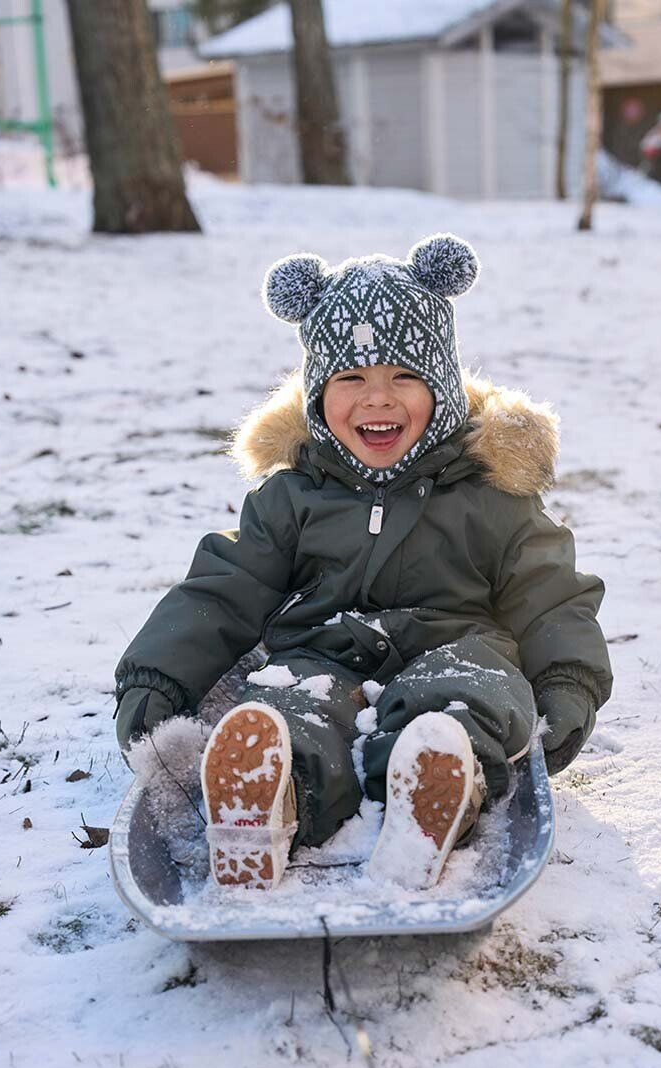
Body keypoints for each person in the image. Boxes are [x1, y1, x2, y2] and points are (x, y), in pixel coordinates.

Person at [114, 235, 612, 892]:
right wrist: (157, 677)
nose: (377, 399)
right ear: (318, 396)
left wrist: (568, 682)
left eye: (404, 377)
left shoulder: (489, 493)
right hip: (322, 657)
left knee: (469, 700)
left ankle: (433, 788)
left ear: (442, 387)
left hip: (459, 646)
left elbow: (549, 596)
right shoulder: (293, 495)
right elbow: (223, 588)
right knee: (290, 708)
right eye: (351, 379)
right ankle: (268, 796)